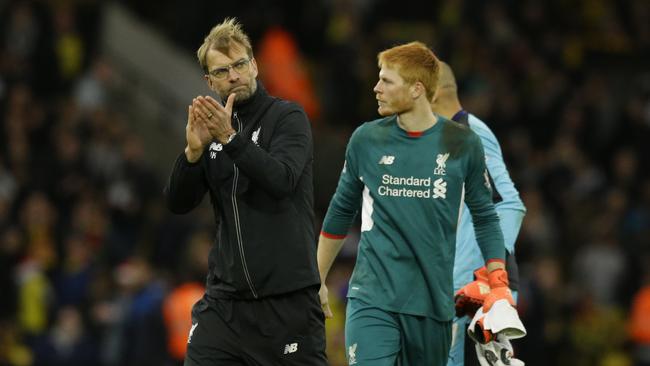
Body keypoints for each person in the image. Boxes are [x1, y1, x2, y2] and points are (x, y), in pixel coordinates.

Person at [317, 41, 514, 366]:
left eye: (387, 81)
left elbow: (485, 217)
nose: (376, 88)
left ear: (416, 89)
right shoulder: (366, 139)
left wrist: (498, 282)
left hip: (432, 305)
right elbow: (340, 211)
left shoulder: (462, 143)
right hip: (372, 297)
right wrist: (317, 278)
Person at [163, 18, 327, 366]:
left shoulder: (287, 117)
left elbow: (281, 180)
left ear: (254, 64)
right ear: (209, 81)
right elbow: (177, 203)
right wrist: (192, 155)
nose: (234, 75)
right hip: (226, 306)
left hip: (287, 303)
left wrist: (230, 140)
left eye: (239, 64)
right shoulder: (212, 132)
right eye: (222, 71)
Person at [431, 62, 526, 366]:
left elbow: (510, 203)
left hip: (477, 291)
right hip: (452, 287)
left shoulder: (471, 132)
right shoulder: (441, 137)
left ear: (429, 94)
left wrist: (486, 273)